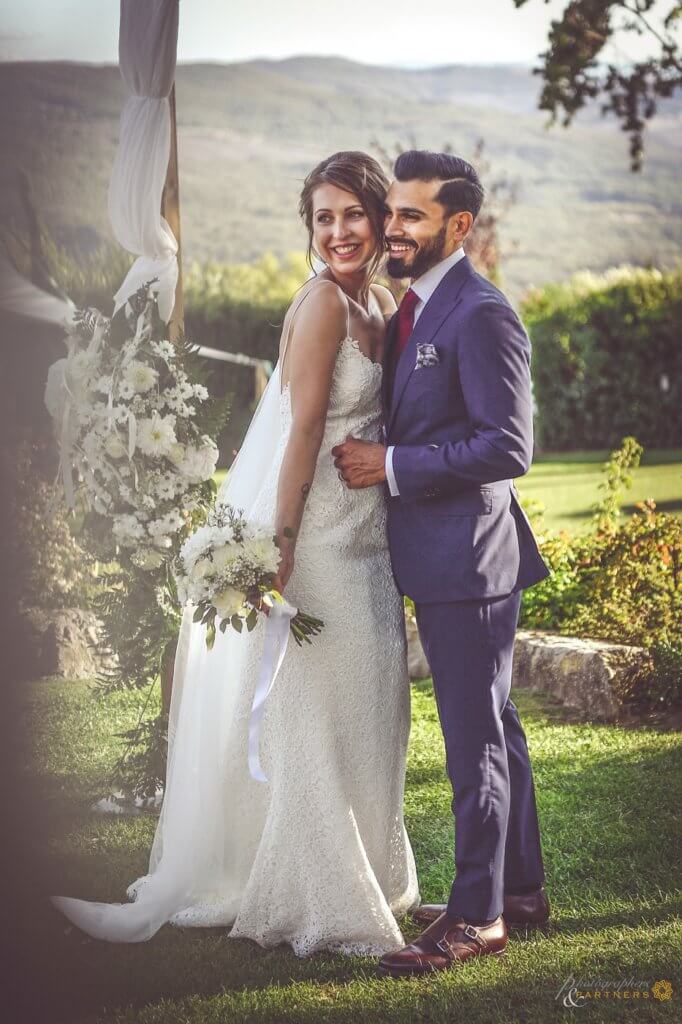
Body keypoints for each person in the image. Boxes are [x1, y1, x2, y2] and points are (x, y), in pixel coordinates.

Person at [51, 151, 419, 956]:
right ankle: (315, 891)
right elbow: (297, 438)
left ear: (380, 217)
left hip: (367, 539)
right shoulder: (322, 305)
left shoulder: (382, 304)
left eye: (352, 213)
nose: (338, 231)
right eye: (323, 218)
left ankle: (368, 874)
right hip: (317, 539)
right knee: (312, 715)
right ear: (311, 231)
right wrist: (280, 548)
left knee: (370, 704)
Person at [333, 150, 552, 976]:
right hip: (443, 554)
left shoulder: (480, 312)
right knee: (496, 726)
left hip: (469, 558)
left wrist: (388, 465)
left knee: (474, 742)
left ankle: (477, 917)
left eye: (412, 216)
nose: (393, 228)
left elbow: (507, 445)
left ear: (458, 226)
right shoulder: (418, 306)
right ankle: (520, 890)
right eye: (392, 212)